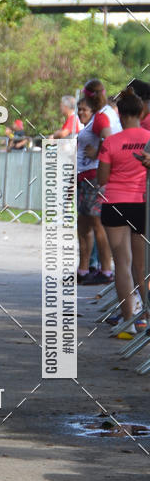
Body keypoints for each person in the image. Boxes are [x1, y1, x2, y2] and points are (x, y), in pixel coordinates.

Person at [97, 88, 150, 338]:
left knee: (122, 265)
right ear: (142, 112)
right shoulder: (149, 138)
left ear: (119, 114)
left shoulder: (110, 142)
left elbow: (102, 178)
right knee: (141, 268)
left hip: (115, 204)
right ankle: (146, 318)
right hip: (141, 204)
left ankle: (128, 322)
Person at [76, 81, 115, 285]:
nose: (81, 112)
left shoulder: (100, 118)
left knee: (96, 224)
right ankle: (83, 269)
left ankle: (106, 270)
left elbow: (108, 138)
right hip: (84, 177)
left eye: (84, 108)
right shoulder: (94, 120)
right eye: (79, 109)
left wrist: (99, 151)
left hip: (93, 177)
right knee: (82, 226)